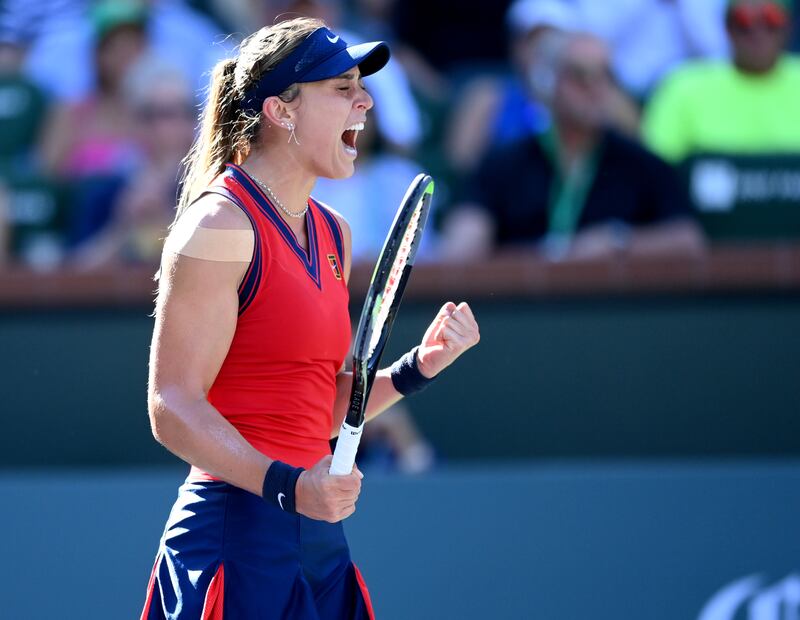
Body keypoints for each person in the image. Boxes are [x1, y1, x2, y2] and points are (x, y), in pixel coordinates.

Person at [141, 17, 480, 619]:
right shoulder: (218, 227)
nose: (366, 101)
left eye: (362, 85)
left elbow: (312, 405)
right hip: (237, 539)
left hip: (318, 543)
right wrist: (290, 487)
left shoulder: (333, 232)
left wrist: (416, 369)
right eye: (342, 86)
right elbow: (171, 405)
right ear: (282, 111)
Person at [440, 31, 704, 262]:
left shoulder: (642, 163)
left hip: (612, 307)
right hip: (522, 305)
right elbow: (463, 244)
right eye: (579, 76)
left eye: (605, 76)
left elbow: (687, 240)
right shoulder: (503, 163)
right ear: (549, 82)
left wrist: (618, 242)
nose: (595, 88)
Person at [643, 0, 800, 163]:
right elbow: (656, 168)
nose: (757, 32)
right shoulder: (684, 88)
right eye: (743, 21)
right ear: (727, 28)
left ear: (788, 27)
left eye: (771, 19)